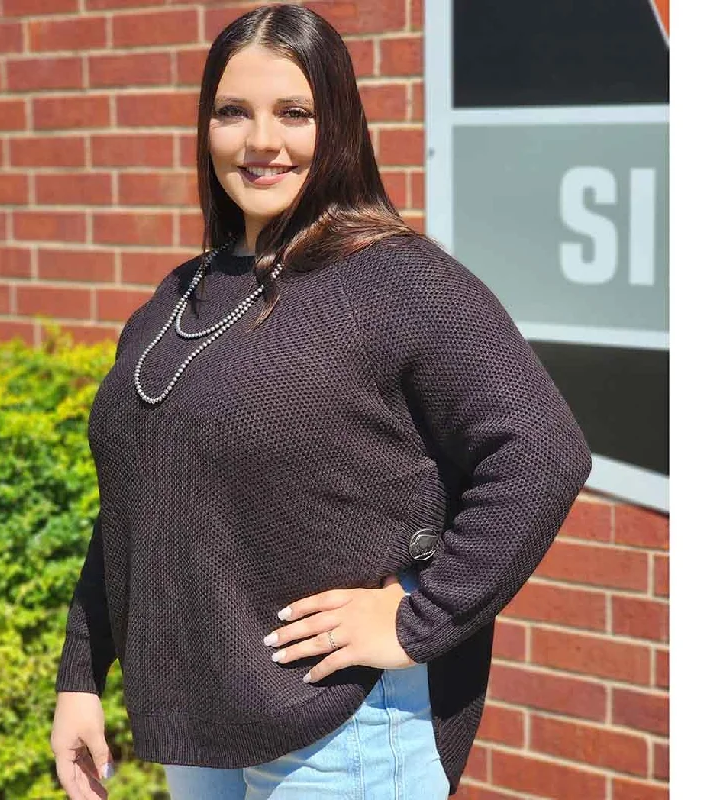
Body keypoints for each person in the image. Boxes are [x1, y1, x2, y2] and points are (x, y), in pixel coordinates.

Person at [49, 4, 592, 799]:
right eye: (233, 112)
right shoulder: (174, 299)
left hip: (346, 727)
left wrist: (418, 619)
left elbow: (542, 452)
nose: (260, 141)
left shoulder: (397, 278)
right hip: (201, 727)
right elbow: (135, 502)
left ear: (336, 123)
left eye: (293, 113)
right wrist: (81, 674)